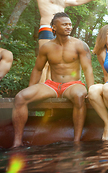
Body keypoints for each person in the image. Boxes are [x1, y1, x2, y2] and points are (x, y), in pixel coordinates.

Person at [12, 12, 94, 147]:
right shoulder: (46, 47)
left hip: (73, 84)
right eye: (64, 24)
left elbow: (88, 69)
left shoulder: (80, 45)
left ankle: (76, 142)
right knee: (20, 97)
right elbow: (38, 69)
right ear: (54, 27)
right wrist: (30, 87)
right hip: (52, 85)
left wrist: (90, 90)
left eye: (70, 24)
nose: (69, 27)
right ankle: (17, 143)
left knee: (80, 96)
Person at [25, 0, 103, 82]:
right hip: (47, 29)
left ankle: (53, 89)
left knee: (55, 63)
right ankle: (40, 88)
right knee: (44, 63)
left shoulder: (62, 1)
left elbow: (77, 1)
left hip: (60, 34)